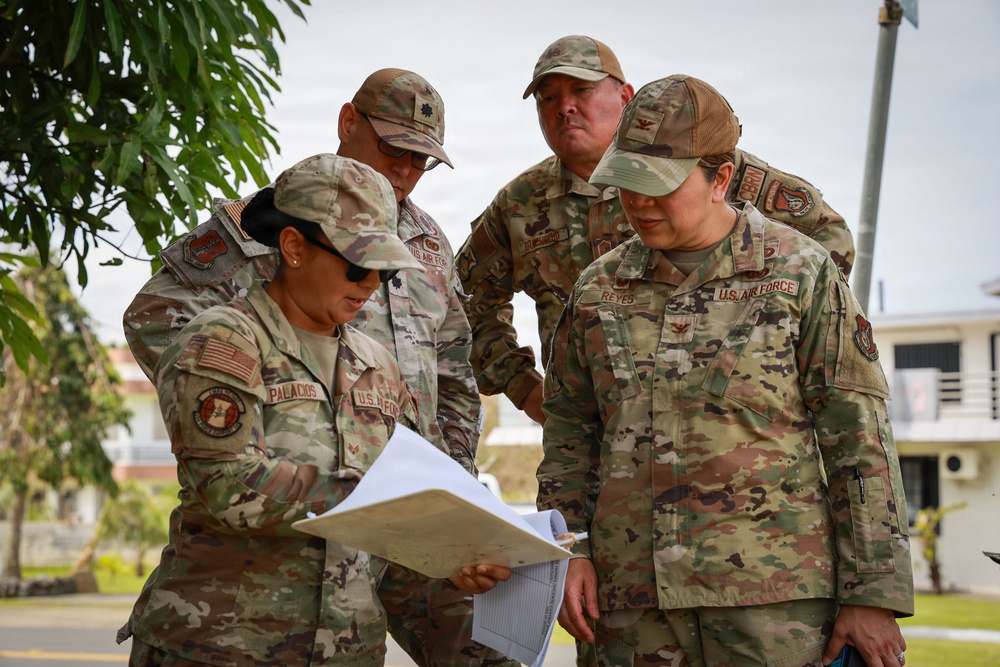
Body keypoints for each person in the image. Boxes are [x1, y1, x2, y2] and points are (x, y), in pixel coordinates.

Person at [122, 70, 515, 666]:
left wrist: (447, 494)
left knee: (488, 652)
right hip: (249, 602)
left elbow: (455, 369)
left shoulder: (427, 246)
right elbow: (160, 328)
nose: (407, 170)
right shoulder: (268, 228)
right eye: (394, 149)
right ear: (348, 124)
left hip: (384, 538)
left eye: (422, 160)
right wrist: (262, 396)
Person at [536, 75, 913, 667]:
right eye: (626, 183)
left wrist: (874, 593)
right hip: (633, 613)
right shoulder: (597, 289)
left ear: (721, 178)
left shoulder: (801, 273)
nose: (637, 202)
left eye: (658, 186)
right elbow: (569, 435)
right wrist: (570, 549)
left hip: (775, 612)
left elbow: (858, 438)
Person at [456, 35, 855, 427]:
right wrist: (527, 392)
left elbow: (826, 236)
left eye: (582, 90)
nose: (566, 108)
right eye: (548, 98)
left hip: (720, 428)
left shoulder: (699, 164)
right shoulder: (520, 204)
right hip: (590, 435)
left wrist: (771, 349)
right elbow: (462, 301)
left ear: (625, 96)